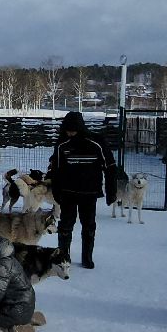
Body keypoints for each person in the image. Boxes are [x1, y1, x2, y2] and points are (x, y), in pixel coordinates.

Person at [47, 111, 117, 269]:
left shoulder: (96, 142)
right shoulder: (62, 144)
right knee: (65, 225)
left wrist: (111, 191)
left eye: (73, 130)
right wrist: (56, 191)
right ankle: (63, 258)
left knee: (89, 225)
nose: (70, 133)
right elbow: (56, 169)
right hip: (68, 192)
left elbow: (110, 167)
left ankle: (87, 258)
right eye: (67, 130)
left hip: (89, 193)